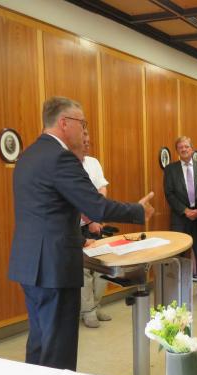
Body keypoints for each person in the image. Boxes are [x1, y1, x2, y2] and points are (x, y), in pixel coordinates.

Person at [8, 96, 155, 371]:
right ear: (65, 122)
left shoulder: (28, 155)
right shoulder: (60, 157)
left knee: (40, 341)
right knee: (57, 350)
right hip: (53, 267)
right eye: (82, 123)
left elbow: (46, 212)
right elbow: (95, 206)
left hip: (29, 264)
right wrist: (137, 210)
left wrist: (79, 238)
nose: (84, 130)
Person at [164, 136, 197, 296]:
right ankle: (176, 287)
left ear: (192, 149)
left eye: (186, 146)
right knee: (179, 254)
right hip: (180, 217)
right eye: (180, 147)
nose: (184, 149)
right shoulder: (170, 169)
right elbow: (169, 194)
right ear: (177, 150)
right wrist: (185, 210)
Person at [77, 130, 112, 328]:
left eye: (89, 141)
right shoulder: (68, 165)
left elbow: (102, 189)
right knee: (84, 272)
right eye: (84, 141)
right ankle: (88, 311)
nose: (87, 144)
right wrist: (90, 218)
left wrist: (96, 216)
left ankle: (96, 305)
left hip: (96, 223)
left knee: (101, 269)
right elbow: (73, 198)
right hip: (77, 227)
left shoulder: (93, 162)